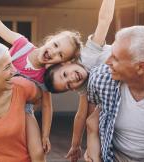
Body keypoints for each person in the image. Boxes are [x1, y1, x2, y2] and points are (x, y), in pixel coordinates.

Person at [0, 0, 84, 161]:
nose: (54, 52)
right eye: (55, 45)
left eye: (60, 55)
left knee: (37, 152)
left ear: (61, 63)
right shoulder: (22, 45)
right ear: (50, 39)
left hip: (23, 109)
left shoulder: (44, 76)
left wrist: (45, 135)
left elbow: (47, 106)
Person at [43, 0, 115, 161]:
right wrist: (75, 145)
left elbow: (104, 20)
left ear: (66, 63)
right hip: (122, 91)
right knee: (92, 119)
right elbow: (81, 114)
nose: (72, 79)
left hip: (131, 64)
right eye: (69, 85)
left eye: (65, 75)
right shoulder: (83, 85)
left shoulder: (87, 56)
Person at [84, 25, 144, 162]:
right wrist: (93, 150)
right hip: (115, 157)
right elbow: (92, 120)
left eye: (116, 58)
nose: (108, 62)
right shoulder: (100, 79)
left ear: (140, 67)